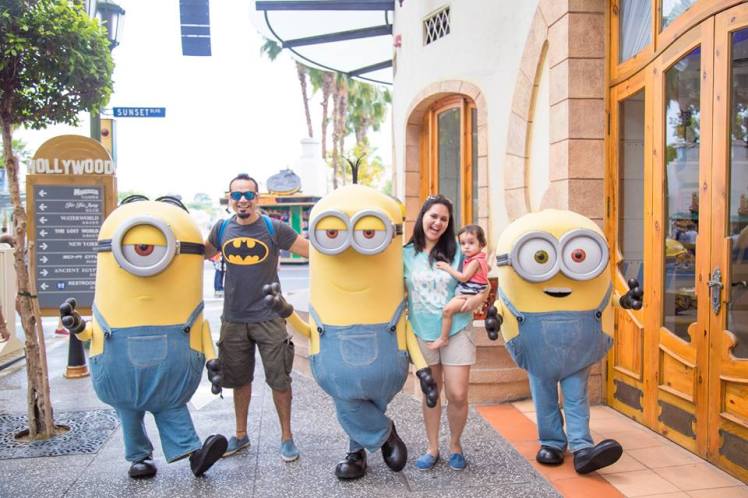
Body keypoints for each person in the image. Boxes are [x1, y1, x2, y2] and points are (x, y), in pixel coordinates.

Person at [204, 173, 309, 461]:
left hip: (269, 316)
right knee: (239, 380)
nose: (242, 200)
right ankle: (241, 435)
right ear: (229, 198)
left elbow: (312, 252)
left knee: (280, 380)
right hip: (233, 318)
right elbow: (199, 253)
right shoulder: (221, 229)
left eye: (248, 195)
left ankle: (287, 437)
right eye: (236, 195)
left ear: (257, 198)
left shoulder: (274, 228)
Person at [403, 195, 487, 472]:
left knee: (458, 393)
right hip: (422, 331)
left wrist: (475, 302)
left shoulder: (459, 252)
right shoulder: (405, 254)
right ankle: (432, 447)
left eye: (444, 219)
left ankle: (455, 444)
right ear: (423, 217)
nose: (437, 222)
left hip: (457, 328)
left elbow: (483, 284)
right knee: (431, 393)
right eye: (433, 216)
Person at [430, 224, 489, 350]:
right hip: (471, 292)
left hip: (469, 293)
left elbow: (463, 277)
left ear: (482, 244)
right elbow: (486, 270)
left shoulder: (475, 261)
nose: (466, 246)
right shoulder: (479, 258)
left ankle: (443, 339)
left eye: (471, 243)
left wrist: (447, 268)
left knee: (447, 311)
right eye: (462, 243)